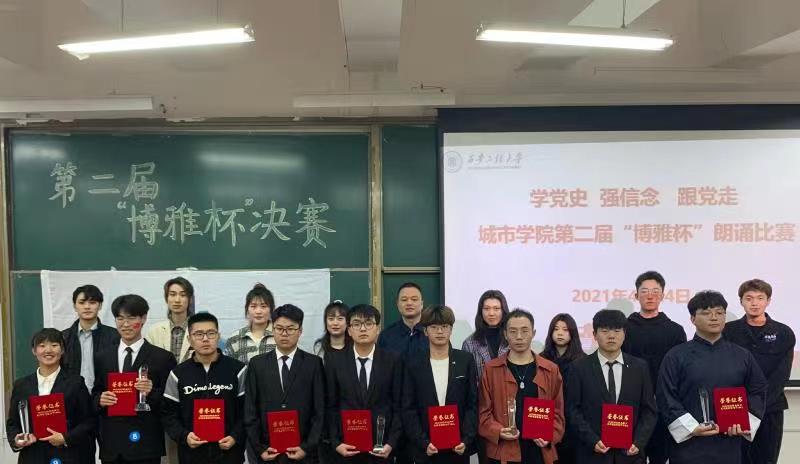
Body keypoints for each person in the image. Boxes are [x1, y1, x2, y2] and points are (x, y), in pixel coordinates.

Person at [657, 290, 767, 464]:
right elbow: (666, 395)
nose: (714, 318)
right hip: (689, 446)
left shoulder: (742, 355)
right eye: (706, 313)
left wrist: (744, 422)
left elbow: (758, 390)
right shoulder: (676, 355)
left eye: (719, 313)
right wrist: (691, 427)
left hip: (729, 443)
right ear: (692, 319)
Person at [93, 294, 178, 464]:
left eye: (131, 318)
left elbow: (171, 404)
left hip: (145, 445)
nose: (125, 324)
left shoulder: (162, 358)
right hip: (112, 444)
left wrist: (151, 391)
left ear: (144, 318)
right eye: (120, 318)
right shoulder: (103, 356)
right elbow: (96, 392)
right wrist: (100, 400)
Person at [565, 309, 657, 464]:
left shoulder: (640, 367)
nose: (611, 336)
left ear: (624, 334)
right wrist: (592, 440)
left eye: (617, 330)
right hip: (592, 454)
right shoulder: (579, 367)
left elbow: (649, 410)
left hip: (630, 455)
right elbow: (572, 409)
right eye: (605, 331)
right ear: (594, 335)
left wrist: (638, 441)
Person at [723, 279, 795, 464]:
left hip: (770, 408)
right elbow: (724, 373)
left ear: (768, 301)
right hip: (735, 408)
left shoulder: (783, 332)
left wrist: (756, 408)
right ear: (741, 301)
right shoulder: (728, 331)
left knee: (766, 459)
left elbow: (780, 377)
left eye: (760, 298)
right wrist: (741, 407)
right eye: (749, 298)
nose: (754, 303)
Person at [478, 309, 564, 464]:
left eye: (525, 331)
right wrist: (498, 431)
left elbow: (558, 413)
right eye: (513, 331)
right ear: (505, 334)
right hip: (504, 453)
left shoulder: (550, 369)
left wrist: (550, 435)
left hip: (539, 453)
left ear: (533, 333)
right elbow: (483, 413)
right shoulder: (491, 369)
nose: (519, 336)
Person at [162, 312, 247, 464]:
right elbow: (168, 414)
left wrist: (235, 436)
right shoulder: (178, 374)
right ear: (189, 339)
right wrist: (184, 436)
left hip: (229, 453)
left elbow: (247, 410)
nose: (205, 339)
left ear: (218, 336)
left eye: (211, 333)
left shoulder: (237, 370)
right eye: (198, 334)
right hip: (191, 455)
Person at [245, 303, 325, 463]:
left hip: (304, 453)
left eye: (290, 329)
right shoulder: (257, 364)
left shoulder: (313, 364)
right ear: (272, 329)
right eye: (279, 328)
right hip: (268, 452)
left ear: (300, 331)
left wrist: (307, 447)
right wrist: (260, 448)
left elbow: (320, 410)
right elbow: (250, 410)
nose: (284, 334)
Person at [621, 271, 686, 464]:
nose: (650, 296)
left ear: (663, 295)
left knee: (661, 455)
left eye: (655, 291)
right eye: (645, 291)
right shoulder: (624, 329)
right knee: (631, 456)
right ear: (636, 295)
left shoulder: (675, 330)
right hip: (631, 404)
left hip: (663, 404)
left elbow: (680, 370)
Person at [325, 304, 404, 464]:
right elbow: (330, 405)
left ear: (378, 328)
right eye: (356, 324)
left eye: (368, 323)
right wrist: (336, 442)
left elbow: (399, 405)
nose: (363, 329)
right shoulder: (334, 361)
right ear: (349, 330)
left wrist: (391, 443)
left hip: (381, 448)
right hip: (346, 448)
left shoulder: (392, 361)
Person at [6, 328, 95, 464]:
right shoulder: (21, 385)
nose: (48, 350)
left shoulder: (76, 383)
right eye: (42, 346)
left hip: (67, 456)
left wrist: (66, 438)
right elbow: (13, 422)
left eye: (54, 345)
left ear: (62, 350)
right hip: (33, 456)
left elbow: (89, 421)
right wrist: (17, 440)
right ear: (34, 351)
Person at [402, 305, 478, 464]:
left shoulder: (465, 360)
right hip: (426, 448)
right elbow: (408, 407)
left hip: (458, 448)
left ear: (451, 330)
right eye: (434, 327)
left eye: (444, 326)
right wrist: (422, 442)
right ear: (425, 331)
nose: (440, 331)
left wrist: (466, 439)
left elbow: (472, 404)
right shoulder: (413, 363)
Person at [539, 313, 586, 464]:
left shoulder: (583, 361)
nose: (560, 333)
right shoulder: (540, 359)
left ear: (572, 333)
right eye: (556, 329)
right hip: (548, 422)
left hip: (573, 424)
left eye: (565, 330)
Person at [62, 284, 120, 393]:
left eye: (92, 302)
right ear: (75, 306)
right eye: (82, 302)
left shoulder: (115, 336)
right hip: (72, 397)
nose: (87, 307)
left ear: (100, 305)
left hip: (104, 396)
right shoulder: (63, 337)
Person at [462, 290, 511, 378]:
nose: (491, 313)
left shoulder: (513, 340)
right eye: (487, 308)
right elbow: (467, 379)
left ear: (503, 310)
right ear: (481, 311)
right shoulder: (469, 343)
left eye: (496, 308)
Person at [225, 283, 277, 363]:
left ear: (271, 309)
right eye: (253, 306)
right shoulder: (235, 338)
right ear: (247, 309)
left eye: (263, 306)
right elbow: (227, 366)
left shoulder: (279, 335)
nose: (258, 311)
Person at [146, 277, 195, 362]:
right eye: (172, 294)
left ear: (190, 299)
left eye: (183, 295)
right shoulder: (154, 331)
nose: (177, 300)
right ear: (166, 298)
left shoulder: (198, 330)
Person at [377, 282, 429, 359]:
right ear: (397, 304)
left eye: (414, 299)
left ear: (421, 304)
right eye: (404, 300)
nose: (409, 303)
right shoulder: (386, 335)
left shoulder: (433, 333)